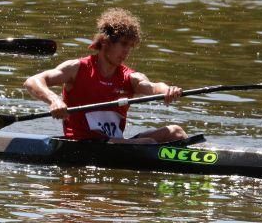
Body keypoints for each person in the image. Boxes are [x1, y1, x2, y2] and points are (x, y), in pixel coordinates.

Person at [23, 8, 187, 144]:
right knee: (149, 143)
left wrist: (167, 90)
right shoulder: (77, 68)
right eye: (123, 44)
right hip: (82, 144)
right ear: (106, 42)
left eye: (130, 46)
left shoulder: (129, 77)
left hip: (115, 144)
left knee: (176, 133)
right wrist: (54, 100)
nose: (126, 51)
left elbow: (152, 87)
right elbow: (33, 81)